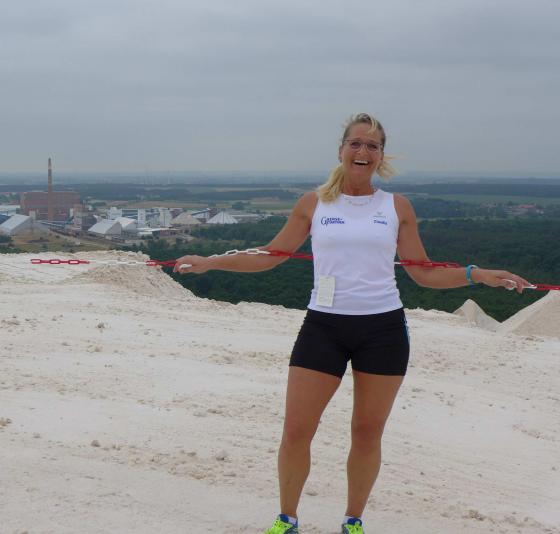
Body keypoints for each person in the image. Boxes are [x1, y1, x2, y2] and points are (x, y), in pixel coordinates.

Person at [173, 113, 531, 534]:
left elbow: (422, 272)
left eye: (372, 146)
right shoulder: (314, 203)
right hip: (324, 327)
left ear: (381, 156)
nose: (363, 151)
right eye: (355, 143)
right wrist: (211, 262)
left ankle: (353, 521)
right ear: (341, 150)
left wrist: (477, 274)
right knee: (297, 430)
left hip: (382, 331)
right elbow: (270, 256)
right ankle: (286, 519)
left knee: (365, 432)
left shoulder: (397, 207)